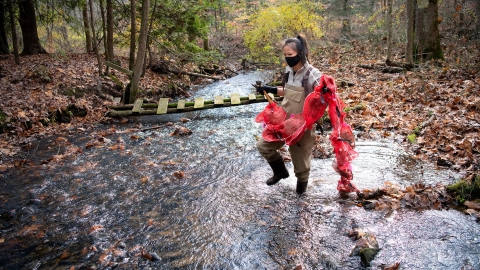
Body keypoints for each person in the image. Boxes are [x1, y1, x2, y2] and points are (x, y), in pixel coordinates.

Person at [255, 35, 321, 194]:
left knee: (301, 166)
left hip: (302, 125)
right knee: (263, 146)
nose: (287, 58)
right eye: (285, 55)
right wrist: (270, 89)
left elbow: (325, 95)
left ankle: (300, 196)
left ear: (301, 53)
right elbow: (289, 92)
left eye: (290, 55)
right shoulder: (288, 71)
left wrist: (324, 92)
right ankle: (280, 172)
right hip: (283, 120)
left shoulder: (313, 74)